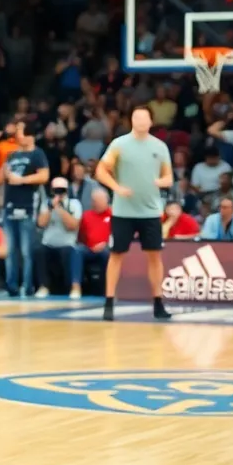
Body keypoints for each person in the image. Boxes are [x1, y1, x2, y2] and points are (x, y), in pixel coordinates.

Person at [94, 106, 173, 321]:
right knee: (116, 255)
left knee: (154, 256)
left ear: (150, 122)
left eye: (144, 118)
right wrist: (116, 188)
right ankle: (109, 302)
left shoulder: (160, 147)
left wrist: (160, 182)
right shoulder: (119, 144)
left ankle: (158, 303)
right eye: (136, 117)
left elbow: (169, 178)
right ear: (131, 121)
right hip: (123, 211)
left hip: (150, 211)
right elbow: (101, 170)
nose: (140, 121)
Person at [1, 123, 49, 297]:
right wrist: (4, 173)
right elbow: (1, 179)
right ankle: (11, 286)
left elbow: (44, 176)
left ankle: (27, 286)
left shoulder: (37, 154)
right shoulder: (11, 155)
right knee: (10, 250)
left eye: (20, 132)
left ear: (29, 136)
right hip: (9, 207)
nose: (16, 135)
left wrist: (22, 180)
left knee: (26, 250)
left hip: (28, 207)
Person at [34, 176, 82, 297]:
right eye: (56, 190)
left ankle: (72, 288)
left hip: (67, 244)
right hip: (49, 243)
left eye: (61, 190)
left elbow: (72, 226)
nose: (59, 193)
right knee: (39, 251)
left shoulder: (74, 204)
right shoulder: (46, 204)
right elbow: (41, 223)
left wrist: (59, 209)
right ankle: (43, 287)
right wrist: (51, 208)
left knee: (68, 253)